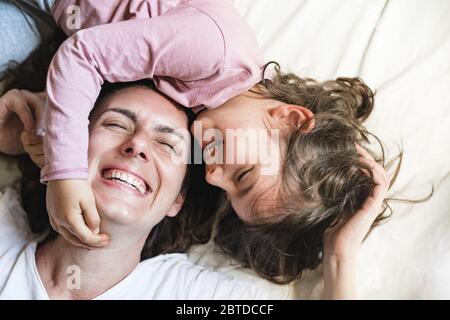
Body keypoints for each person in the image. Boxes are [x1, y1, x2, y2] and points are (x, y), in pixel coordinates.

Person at [1, 0, 400, 291]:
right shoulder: (215, 50)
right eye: (241, 174)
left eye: (226, 188)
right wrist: (65, 172)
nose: (212, 173)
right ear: (290, 118)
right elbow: (83, 56)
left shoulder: (203, 111)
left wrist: (340, 256)